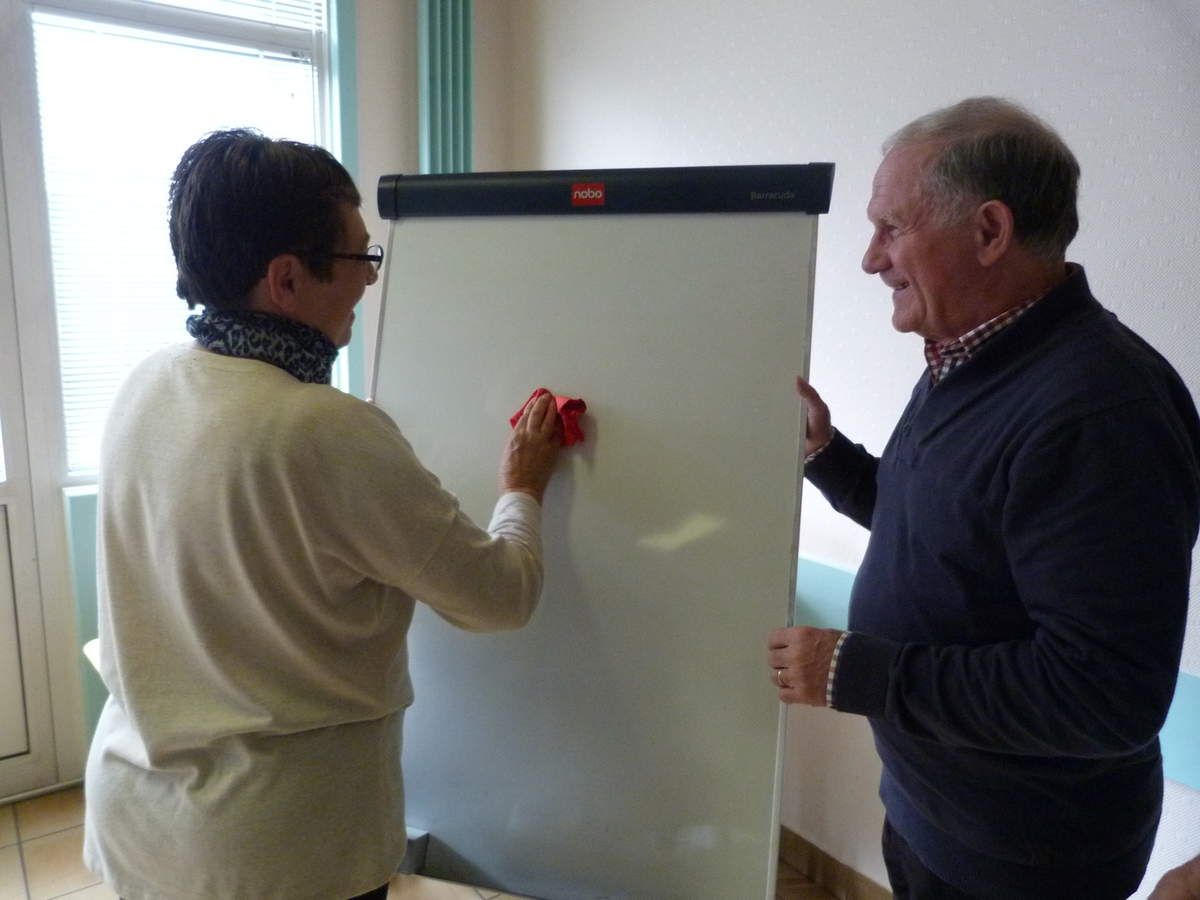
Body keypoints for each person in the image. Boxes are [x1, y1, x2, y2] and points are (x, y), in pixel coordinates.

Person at [82, 129, 564, 900]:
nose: (370, 279)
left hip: (141, 821)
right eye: (358, 258)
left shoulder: (147, 384)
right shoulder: (324, 430)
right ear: (286, 279)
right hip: (279, 850)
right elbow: (501, 596)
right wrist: (522, 486)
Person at [768, 97, 1200, 899]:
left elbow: (1103, 694)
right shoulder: (966, 358)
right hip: (934, 811)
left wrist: (859, 672)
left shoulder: (1099, 412)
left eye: (891, 227)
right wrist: (826, 456)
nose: (870, 259)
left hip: (1024, 856)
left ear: (990, 231)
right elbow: (942, 534)